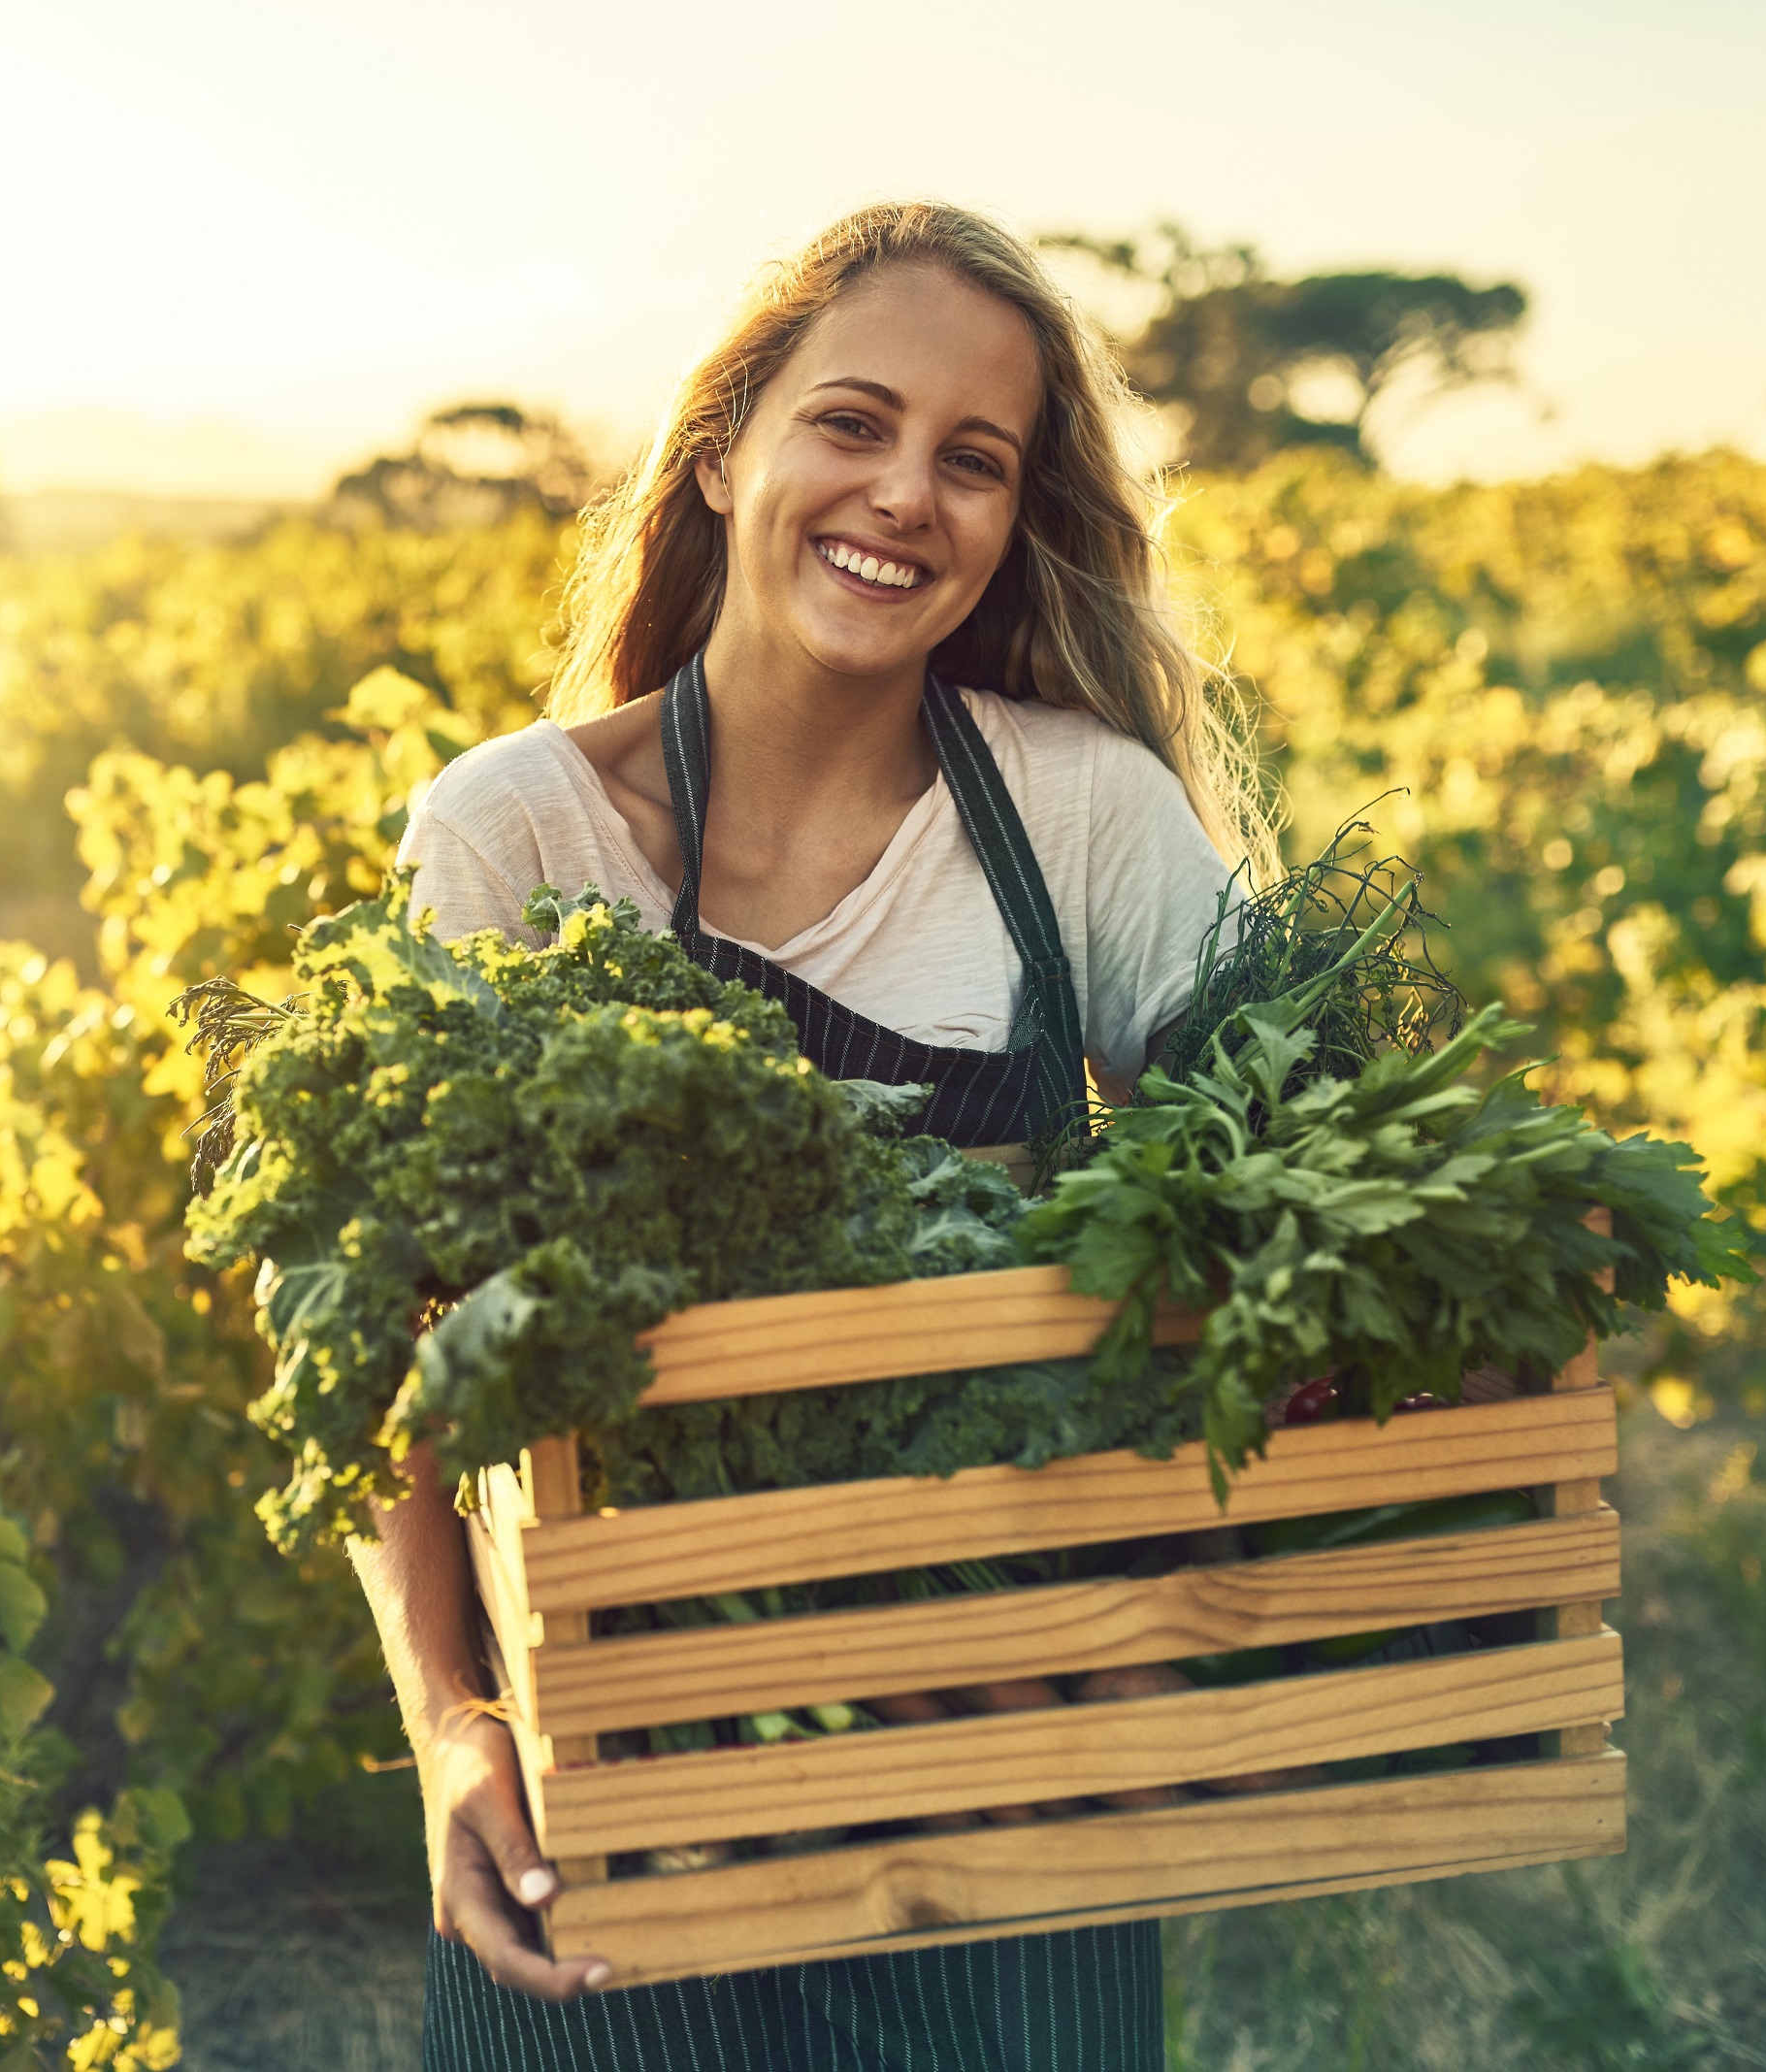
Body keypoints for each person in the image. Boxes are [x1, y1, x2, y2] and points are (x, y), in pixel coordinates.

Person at [361, 200, 1272, 2068]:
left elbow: (1285, 1211)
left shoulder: (1085, 820)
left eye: (974, 460)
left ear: (1019, 521)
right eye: (852, 423)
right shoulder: (518, 837)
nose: (905, 495)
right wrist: (462, 1737)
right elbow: (395, 1342)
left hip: (1010, 1797)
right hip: (628, 1819)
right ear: (724, 451)